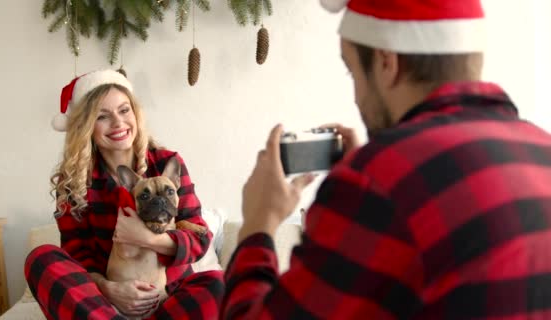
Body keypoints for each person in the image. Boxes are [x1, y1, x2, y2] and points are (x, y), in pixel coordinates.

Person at [221, 0, 551, 319]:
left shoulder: (378, 180)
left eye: (353, 73)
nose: (357, 96)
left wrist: (258, 222)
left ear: (386, 62)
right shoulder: (541, 151)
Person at [24, 69, 224, 319]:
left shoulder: (166, 162)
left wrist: (149, 239)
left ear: (135, 113)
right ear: (86, 126)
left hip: (170, 294)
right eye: (102, 116)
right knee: (41, 259)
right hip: (105, 304)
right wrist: (108, 289)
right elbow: (77, 255)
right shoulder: (73, 183)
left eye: (124, 110)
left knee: (216, 284)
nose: (118, 123)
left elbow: (200, 239)